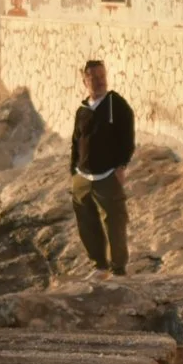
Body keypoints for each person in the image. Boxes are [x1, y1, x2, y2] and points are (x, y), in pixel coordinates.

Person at [69, 59, 136, 275]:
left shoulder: (117, 105)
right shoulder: (82, 110)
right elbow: (76, 141)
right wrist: (73, 171)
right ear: (84, 81)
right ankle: (99, 265)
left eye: (102, 76)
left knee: (115, 222)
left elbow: (127, 138)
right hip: (82, 176)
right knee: (86, 223)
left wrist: (121, 166)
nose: (99, 81)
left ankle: (118, 268)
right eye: (94, 77)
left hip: (107, 175)